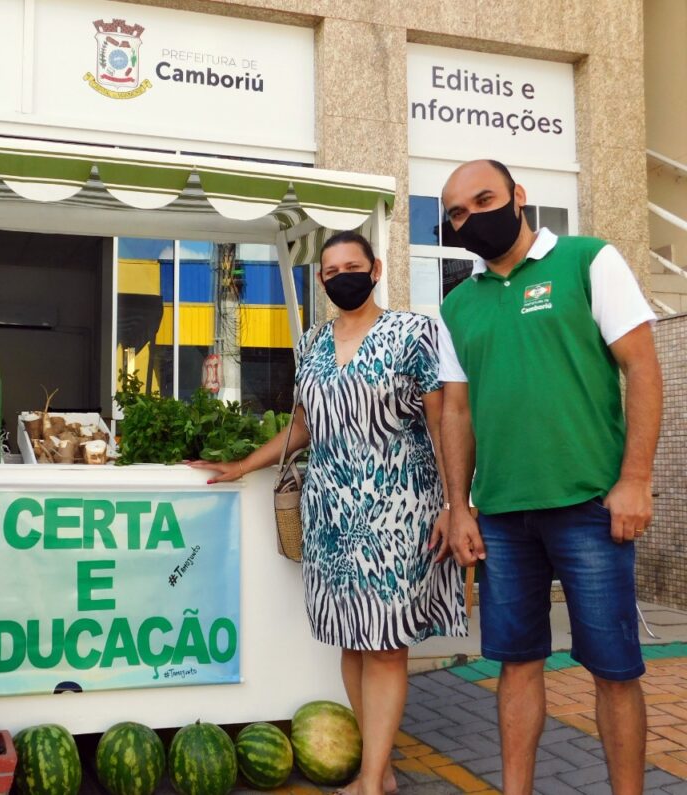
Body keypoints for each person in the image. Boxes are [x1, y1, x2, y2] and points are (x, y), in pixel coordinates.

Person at [192, 230, 467, 795]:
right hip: (331, 512)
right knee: (350, 638)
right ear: (320, 281)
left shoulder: (415, 332)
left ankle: (369, 782)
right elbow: (304, 426)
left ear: (375, 268)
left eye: (352, 265)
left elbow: (444, 423)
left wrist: (453, 504)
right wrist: (242, 465)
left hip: (398, 507)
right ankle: (382, 770)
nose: (341, 275)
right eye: (330, 269)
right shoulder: (314, 340)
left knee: (386, 643)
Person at [437, 159, 662, 795]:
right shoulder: (458, 305)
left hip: (592, 505)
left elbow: (642, 368)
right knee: (516, 664)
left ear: (519, 197)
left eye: (484, 199)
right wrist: (460, 506)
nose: (471, 216)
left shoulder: (589, 262)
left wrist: (636, 479)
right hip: (503, 516)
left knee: (615, 670)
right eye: (457, 212)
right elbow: (456, 409)